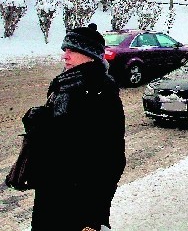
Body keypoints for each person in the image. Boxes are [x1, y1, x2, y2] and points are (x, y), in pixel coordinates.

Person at [29, 23, 126, 231]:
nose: (65, 56)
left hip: (80, 205)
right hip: (50, 194)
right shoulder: (62, 85)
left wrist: (94, 216)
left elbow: (112, 159)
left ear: (89, 55)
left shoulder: (102, 91)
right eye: (65, 50)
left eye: (72, 50)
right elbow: (60, 137)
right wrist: (39, 122)